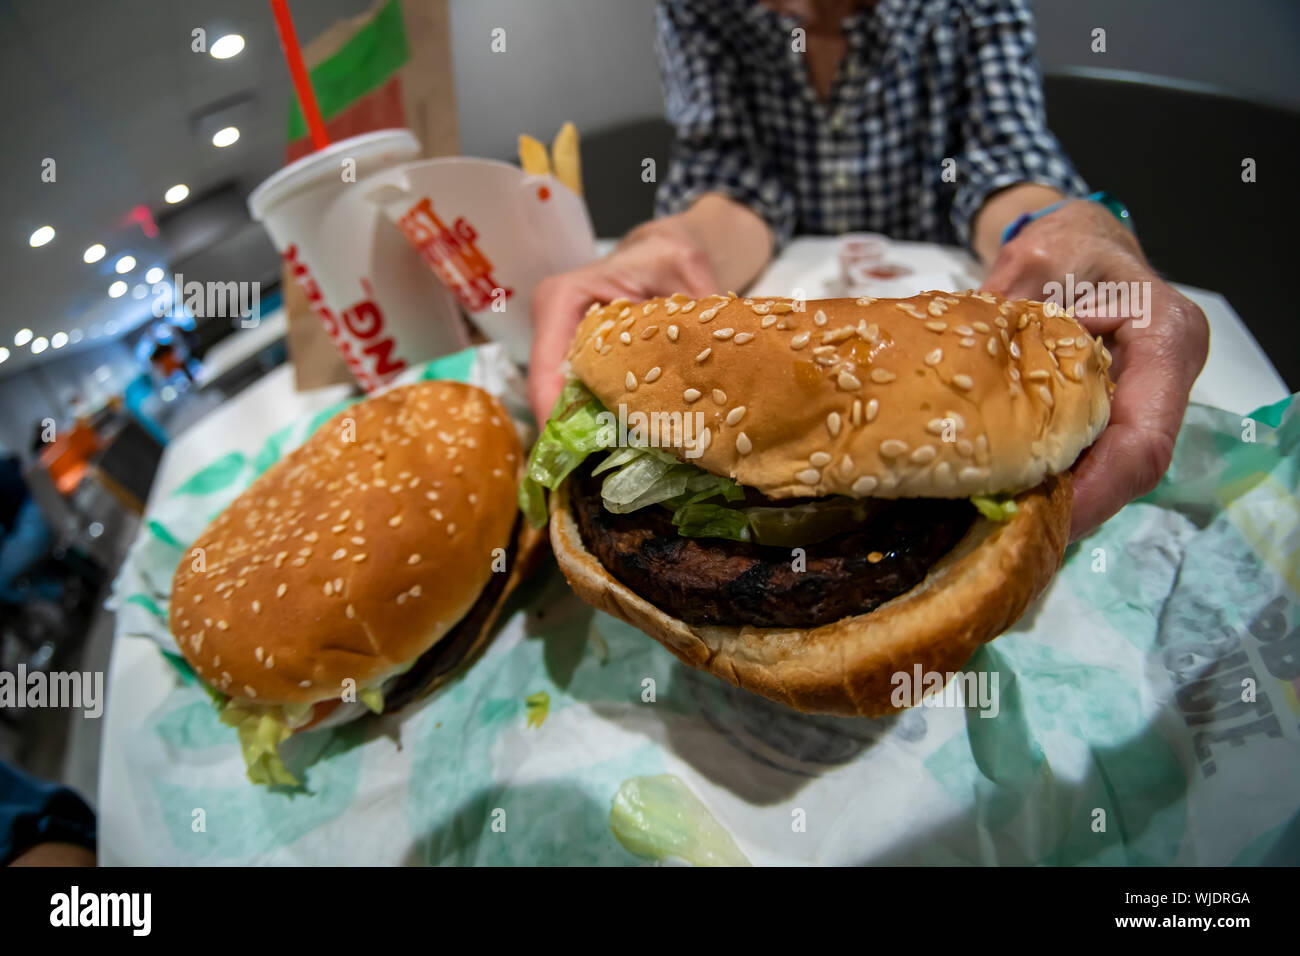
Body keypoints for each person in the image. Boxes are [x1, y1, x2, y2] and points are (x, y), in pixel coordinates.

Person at [527, 0, 1209, 541]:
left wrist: (1064, 228)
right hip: (770, 337)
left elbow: (1001, 162)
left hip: (960, 341)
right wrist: (667, 244)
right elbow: (734, 179)